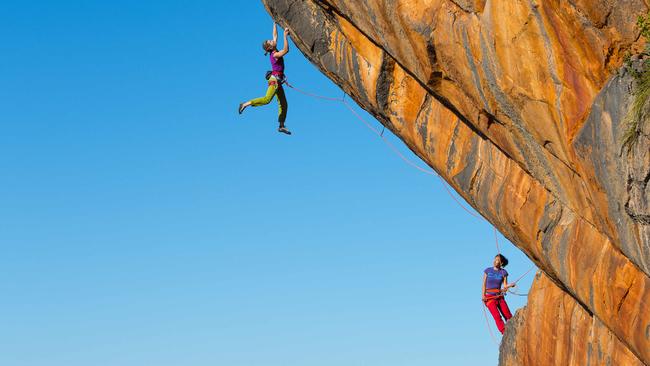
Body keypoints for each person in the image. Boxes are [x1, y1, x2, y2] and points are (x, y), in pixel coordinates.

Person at [238, 23, 291, 135]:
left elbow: (275, 35)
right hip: (274, 81)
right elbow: (286, 50)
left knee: (284, 103)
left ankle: (281, 126)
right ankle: (245, 104)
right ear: (269, 47)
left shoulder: (273, 48)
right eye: (270, 42)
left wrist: (274, 22)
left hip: (278, 81)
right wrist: (285, 36)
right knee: (267, 99)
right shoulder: (275, 54)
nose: (272, 40)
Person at [482, 254, 515, 334]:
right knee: (497, 316)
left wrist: (510, 285)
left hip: (499, 296)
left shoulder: (503, 272)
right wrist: (483, 296)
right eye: (495, 259)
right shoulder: (488, 271)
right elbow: (484, 284)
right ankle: (504, 332)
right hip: (489, 297)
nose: (495, 261)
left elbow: (505, 285)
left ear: (501, 263)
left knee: (507, 314)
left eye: (497, 260)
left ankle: (514, 328)